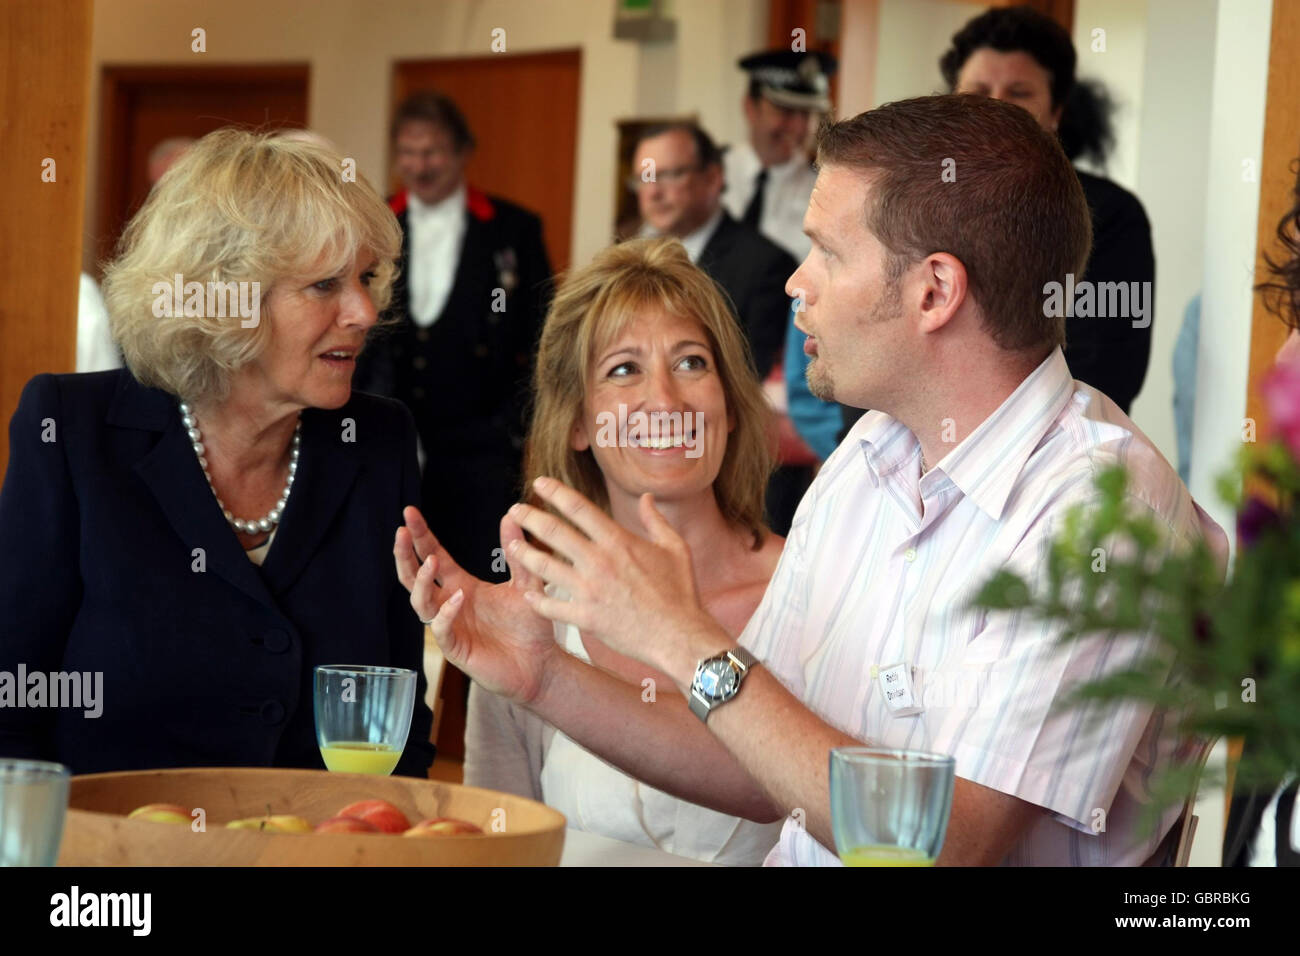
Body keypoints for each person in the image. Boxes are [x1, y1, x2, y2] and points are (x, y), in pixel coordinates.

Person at [397, 94, 1227, 867]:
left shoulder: (1097, 509)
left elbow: (948, 842)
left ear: (934, 291)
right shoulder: (874, 451)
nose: (797, 282)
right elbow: (759, 755)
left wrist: (682, 638)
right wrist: (545, 677)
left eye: (827, 251)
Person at [0, 128, 434, 777]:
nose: (365, 311)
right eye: (324, 285)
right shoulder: (73, 430)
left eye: (367, 278)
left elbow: (397, 714)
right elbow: (14, 705)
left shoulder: (377, 442)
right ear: (225, 300)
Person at [462, 238, 784, 864]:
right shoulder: (533, 614)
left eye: (692, 363)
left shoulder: (816, 588)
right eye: (623, 369)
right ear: (577, 423)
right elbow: (495, 847)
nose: (665, 401)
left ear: (730, 404)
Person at [355, 91, 553, 581]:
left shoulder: (513, 230)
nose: (419, 166)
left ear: (464, 152)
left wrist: (514, 425)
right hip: (387, 438)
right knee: (393, 578)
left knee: (482, 584)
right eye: (408, 152)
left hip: (482, 450)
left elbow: (546, 338)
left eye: (433, 152)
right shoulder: (371, 225)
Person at [940, 4, 1156, 415]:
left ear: (1056, 112)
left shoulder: (1111, 215)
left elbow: (1108, 370)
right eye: (978, 91)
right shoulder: (911, 202)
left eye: (1019, 93)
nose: (996, 107)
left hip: (1053, 457)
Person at [632, 122, 794, 382]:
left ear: (712, 179)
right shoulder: (626, 259)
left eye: (668, 175)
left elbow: (748, 378)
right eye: (645, 177)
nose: (653, 192)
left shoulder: (767, 265)